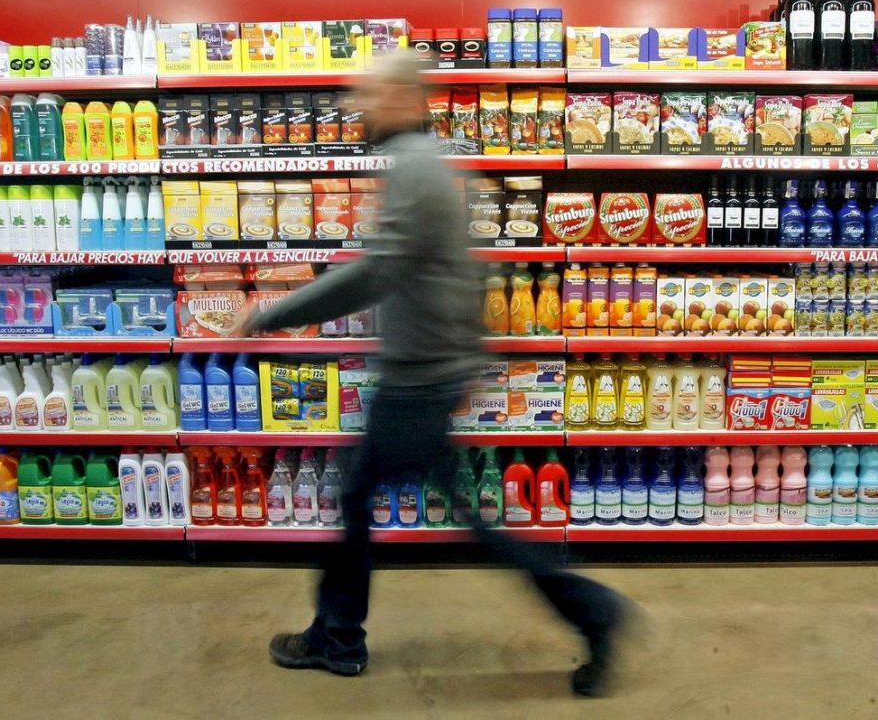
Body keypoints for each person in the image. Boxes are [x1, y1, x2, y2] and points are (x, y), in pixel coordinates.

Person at [248, 52, 631, 696]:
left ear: (400, 95)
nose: (355, 107)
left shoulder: (418, 170)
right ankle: (340, 635)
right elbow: (459, 270)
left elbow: (377, 272)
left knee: (402, 509)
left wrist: (272, 314)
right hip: (429, 369)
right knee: (410, 507)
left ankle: (341, 638)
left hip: (418, 378)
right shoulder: (429, 163)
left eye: (365, 95)